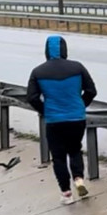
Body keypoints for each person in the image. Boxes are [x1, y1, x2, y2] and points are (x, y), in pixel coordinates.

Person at [27, 35, 97, 205]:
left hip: (54, 120)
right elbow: (91, 90)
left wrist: (45, 110)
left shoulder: (38, 72)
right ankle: (79, 180)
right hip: (76, 118)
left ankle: (66, 193)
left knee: (58, 157)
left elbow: (32, 97)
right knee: (75, 150)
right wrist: (80, 105)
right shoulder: (78, 67)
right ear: (65, 49)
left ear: (46, 51)